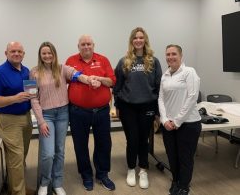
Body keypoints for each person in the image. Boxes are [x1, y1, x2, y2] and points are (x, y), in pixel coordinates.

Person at [30, 42, 94, 195]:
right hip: (46, 116)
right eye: (44, 53)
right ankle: (45, 182)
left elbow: (77, 75)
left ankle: (57, 183)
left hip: (63, 114)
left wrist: (89, 79)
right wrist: (41, 121)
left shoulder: (61, 68)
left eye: (50, 53)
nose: (47, 56)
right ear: (40, 55)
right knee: (48, 154)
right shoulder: (33, 72)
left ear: (54, 54)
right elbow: (32, 98)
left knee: (59, 151)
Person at [113, 27, 162, 189]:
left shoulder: (153, 61)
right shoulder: (124, 61)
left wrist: (157, 112)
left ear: (145, 40)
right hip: (128, 107)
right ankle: (131, 169)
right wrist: (117, 106)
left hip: (147, 106)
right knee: (132, 140)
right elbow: (117, 86)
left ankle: (143, 170)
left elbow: (158, 87)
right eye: (135, 38)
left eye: (141, 37)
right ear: (131, 41)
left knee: (143, 140)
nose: (138, 40)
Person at [65, 35, 116, 191]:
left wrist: (99, 79)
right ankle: (86, 175)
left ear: (93, 45)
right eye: (83, 44)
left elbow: (112, 81)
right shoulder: (71, 61)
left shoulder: (103, 60)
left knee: (104, 143)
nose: (86, 46)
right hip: (78, 112)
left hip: (101, 111)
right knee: (80, 145)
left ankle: (102, 174)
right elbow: (66, 79)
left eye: (89, 44)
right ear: (78, 46)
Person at [0, 41, 34, 195]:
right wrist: (14, 98)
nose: (16, 54)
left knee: (19, 158)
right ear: (6, 53)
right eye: (13, 51)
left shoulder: (27, 71)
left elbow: (32, 94)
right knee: (16, 158)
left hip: (26, 118)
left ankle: (15, 186)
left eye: (19, 51)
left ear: (24, 54)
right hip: (8, 120)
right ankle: (18, 192)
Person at [158, 44, 201, 195]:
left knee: (185, 158)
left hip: (188, 124)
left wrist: (177, 121)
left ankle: (184, 186)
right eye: (168, 54)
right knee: (172, 156)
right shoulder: (165, 75)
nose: (170, 57)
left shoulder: (189, 72)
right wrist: (164, 120)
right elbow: (161, 99)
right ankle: (176, 180)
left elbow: (192, 97)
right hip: (168, 125)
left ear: (181, 56)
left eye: (173, 54)